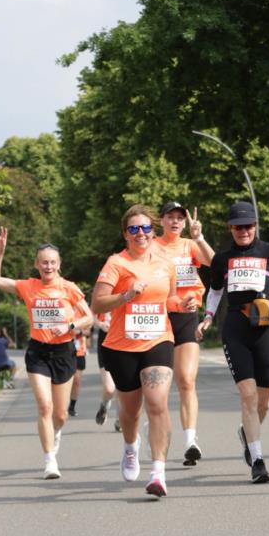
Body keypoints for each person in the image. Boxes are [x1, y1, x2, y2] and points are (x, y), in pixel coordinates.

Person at [91, 204, 195, 499]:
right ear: (125, 233)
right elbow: (97, 304)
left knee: (157, 403)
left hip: (158, 340)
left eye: (146, 227)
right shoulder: (116, 263)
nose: (141, 233)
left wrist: (182, 303)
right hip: (121, 345)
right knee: (131, 411)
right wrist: (126, 295)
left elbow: (169, 299)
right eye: (134, 229)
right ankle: (130, 447)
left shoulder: (166, 263)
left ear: (153, 230)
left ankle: (158, 473)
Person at [197, 201, 269, 484]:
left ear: (255, 226)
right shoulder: (222, 259)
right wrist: (208, 318)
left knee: (265, 400)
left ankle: (246, 433)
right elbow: (215, 292)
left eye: (248, 226)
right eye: (238, 227)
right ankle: (258, 461)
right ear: (230, 228)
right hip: (236, 328)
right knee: (248, 396)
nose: (243, 231)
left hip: (266, 326)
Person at [0, 229, 93, 479]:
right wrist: (0, 252)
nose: (48, 266)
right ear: (37, 264)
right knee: (45, 407)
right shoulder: (28, 286)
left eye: (52, 262)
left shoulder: (69, 288)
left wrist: (69, 326)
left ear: (59, 264)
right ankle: (50, 461)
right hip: (38, 352)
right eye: (44, 262)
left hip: (64, 351)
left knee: (60, 415)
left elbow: (89, 318)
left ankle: (56, 432)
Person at [153, 200, 215, 466]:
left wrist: (199, 237)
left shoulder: (190, 245)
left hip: (187, 317)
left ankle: (190, 441)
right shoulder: (152, 247)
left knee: (187, 381)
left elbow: (214, 262)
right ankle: (155, 430)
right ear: (162, 220)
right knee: (160, 387)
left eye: (180, 217)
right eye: (170, 217)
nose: (175, 222)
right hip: (159, 319)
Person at [93, 311, 117, 426]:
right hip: (105, 341)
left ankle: (121, 420)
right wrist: (100, 324)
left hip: (125, 341)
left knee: (124, 388)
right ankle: (104, 405)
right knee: (109, 389)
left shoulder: (129, 299)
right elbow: (90, 314)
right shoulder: (102, 298)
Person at [68, 323, 89, 416]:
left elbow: (88, 332)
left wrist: (79, 332)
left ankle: (72, 406)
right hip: (63, 351)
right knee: (64, 380)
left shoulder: (83, 316)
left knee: (76, 380)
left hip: (79, 352)